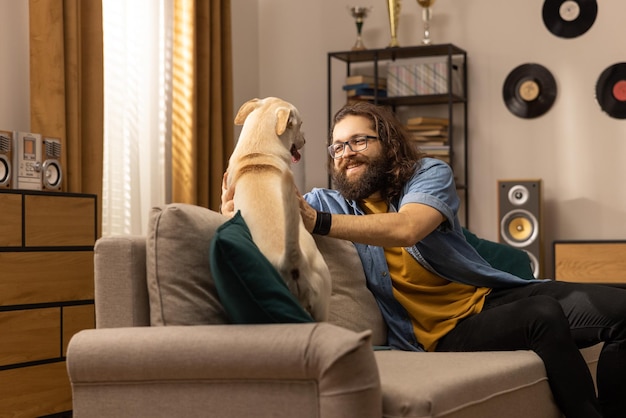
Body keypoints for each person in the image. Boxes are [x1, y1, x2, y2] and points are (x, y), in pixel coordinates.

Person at [222, 101, 626, 418]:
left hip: (490, 298)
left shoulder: (427, 174)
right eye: (339, 146)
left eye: (360, 141)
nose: (347, 153)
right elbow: (262, 218)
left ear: (388, 143)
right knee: (542, 313)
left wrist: (320, 223)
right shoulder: (322, 201)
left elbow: (408, 228)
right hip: (439, 336)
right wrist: (231, 204)